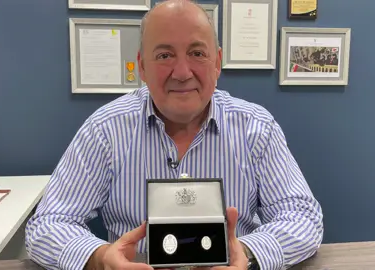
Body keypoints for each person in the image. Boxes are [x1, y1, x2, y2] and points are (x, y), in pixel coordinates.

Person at [24, 0, 324, 269]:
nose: (182, 72)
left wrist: (245, 253)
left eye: (197, 53)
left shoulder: (256, 127)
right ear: (142, 65)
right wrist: (101, 259)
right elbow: (49, 224)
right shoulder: (105, 130)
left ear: (217, 62)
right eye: (165, 55)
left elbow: (302, 216)